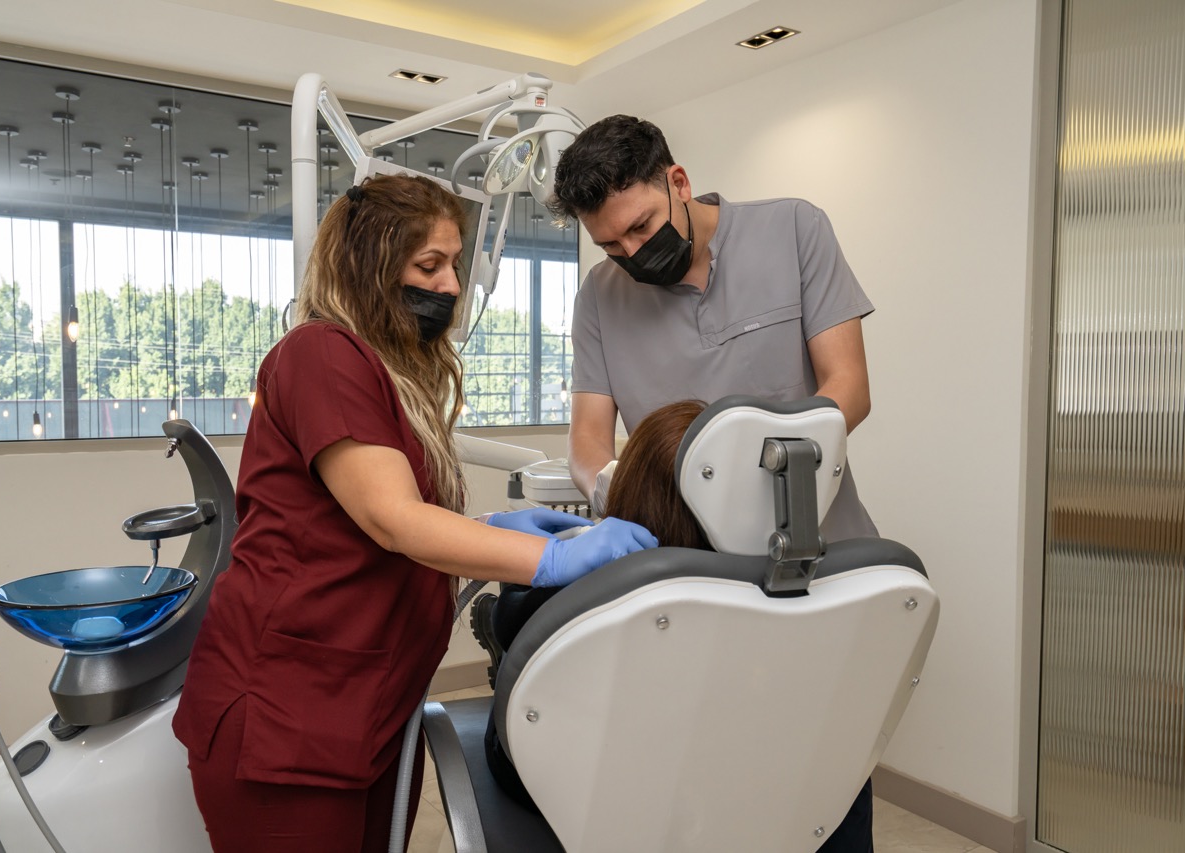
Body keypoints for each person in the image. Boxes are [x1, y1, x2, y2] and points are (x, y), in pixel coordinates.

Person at [170, 173, 656, 853]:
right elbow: (393, 520)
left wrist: (490, 530)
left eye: (454, 264)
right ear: (368, 266)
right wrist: (553, 558)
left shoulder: (387, 372)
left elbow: (374, 524)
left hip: (369, 705)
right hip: (288, 712)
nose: (451, 286)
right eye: (430, 266)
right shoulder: (321, 354)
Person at [549, 114, 879, 850]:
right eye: (610, 245)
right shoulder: (601, 296)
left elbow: (849, 390)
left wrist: (742, 479)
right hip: (689, 585)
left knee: (827, 776)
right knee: (707, 788)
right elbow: (588, 445)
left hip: (813, 565)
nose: (631, 254)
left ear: (678, 181)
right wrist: (618, 497)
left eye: (640, 228)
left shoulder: (793, 229)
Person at [478, 399, 709, 808]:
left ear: (629, 482)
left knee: (514, 628)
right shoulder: (753, 588)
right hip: (684, 781)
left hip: (556, 786)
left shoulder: (586, 590)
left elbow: (508, 620)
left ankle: (504, 660)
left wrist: (529, 568)